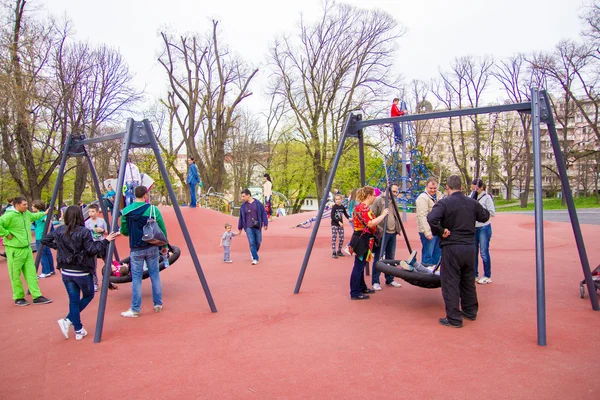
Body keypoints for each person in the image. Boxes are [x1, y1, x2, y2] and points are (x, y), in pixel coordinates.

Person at [42, 206, 118, 340]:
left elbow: (45, 240)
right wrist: (105, 241)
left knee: (74, 299)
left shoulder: (60, 230)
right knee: (88, 295)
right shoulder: (84, 232)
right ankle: (68, 320)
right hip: (81, 270)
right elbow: (91, 249)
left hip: (66, 270)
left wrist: (59, 248)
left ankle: (78, 329)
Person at [427, 175, 490, 328]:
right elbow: (485, 216)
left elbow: (431, 218)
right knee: (468, 280)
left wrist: (441, 231)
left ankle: (454, 318)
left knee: (450, 281)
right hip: (469, 246)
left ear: (447, 188)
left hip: (452, 245)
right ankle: (470, 311)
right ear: (461, 187)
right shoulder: (472, 203)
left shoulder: (445, 203)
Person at [120, 185, 168, 317]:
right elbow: (162, 227)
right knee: (155, 275)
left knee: (136, 278)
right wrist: (165, 245)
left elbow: (124, 231)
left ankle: (135, 309)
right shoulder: (152, 209)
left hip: (136, 248)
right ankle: (158, 303)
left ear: (134, 195)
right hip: (151, 246)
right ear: (146, 195)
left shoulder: (126, 212)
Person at [0, 196, 52, 306]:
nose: (26, 206)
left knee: (31, 273)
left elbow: (33, 216)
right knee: (15, 274)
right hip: (15, 249)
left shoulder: (25, 213)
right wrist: (6, 234)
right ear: (17, 205)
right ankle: (19, 297)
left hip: (26, 248)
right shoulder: (8, 215)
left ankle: (36, 295)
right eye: (24, 204)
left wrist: (44, 213)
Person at [347, 186, 389, 300]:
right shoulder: (363, 208)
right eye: (374, 195)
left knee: (361, 264)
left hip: (362, 238)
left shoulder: (362, 207)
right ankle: (355, 292)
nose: (375, 197)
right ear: (369, 196)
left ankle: (361, 287)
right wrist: (383, 215)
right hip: (362, 239)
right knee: (359, 266)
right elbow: (370, 223)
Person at [370, 184, 403, 290]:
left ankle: (390, 278)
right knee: (379, 257)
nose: (395, 194)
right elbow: (372, 215)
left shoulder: (393, 201)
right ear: (387, 191)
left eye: (396, 192)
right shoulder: (378, 200)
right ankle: (375, 281)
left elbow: (395, 215)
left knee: (390, 257)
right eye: (393, 191)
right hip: (383, 233)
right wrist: (379, 229)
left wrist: (398, 228)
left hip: (392, 232)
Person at [416, 177, 444, 265]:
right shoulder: (423, 198)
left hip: (437, 230)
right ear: (426, 187)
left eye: (435, 188)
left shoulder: (439, 197)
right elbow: (422, 216)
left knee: (437, 254)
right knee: (428, 254)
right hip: (428, 231)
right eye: (430, 188)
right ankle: (426, 275)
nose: (433, 190)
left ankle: (434, 274)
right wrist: (427, 232)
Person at [473, 180, 496, 284]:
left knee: (483, 252)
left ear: (481, 187)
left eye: (475, 188)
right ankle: (474, 274)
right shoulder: (471, 196)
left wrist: (480, 211)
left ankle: (487, 275)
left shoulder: (487, 198)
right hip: (474, 227)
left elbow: (492, 212)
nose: (473, 190)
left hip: (484, 227)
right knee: (473, 252)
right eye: (472, 188)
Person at [237, 188, 268, 265]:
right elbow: (241, 217)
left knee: (258, 241)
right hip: (248, 227)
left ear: (248, 195)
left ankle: (253, 252)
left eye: (243, 196)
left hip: (257, 225)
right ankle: (255, 258)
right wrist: (240, 228)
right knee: (251, 242)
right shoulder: (243, 206)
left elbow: (263, 213)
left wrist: (265, 223)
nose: (242, 198)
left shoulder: (258, 203)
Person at [85, 203, 108, 291]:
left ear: (97, 212)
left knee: (107, 261)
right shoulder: (87, 223)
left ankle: (108, 280)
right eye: (90, 211)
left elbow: (107, 232)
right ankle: (94, 282)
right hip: (92, 244)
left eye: (93, 211)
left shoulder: (101, 221)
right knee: (92, 265)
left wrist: (102, 230)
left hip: (101, 242)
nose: (91, 213)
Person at [31, 200, 55, 278]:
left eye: (33, 206)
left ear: (37, 207)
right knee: (47, 253)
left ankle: (46, 271)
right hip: (43, 236)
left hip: (40, 236)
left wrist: (48, 231)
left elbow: (48, 221)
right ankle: (51, 269)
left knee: (42, 254)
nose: (31, 207)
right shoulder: (40, 214)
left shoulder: (40, 215)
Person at [330, 194, 350, 259]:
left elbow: (346, 215)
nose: (337, 201)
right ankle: (334, 252)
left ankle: (339, 250)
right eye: (336, 199)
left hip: (341, 225)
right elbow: (332, 216)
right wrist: (339, 222)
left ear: (341, 200)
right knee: (334, 238)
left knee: (341, 238)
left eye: (339, 199)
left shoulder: (342, 207)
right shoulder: (334, 207)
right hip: (334, 224)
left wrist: (350, 218)